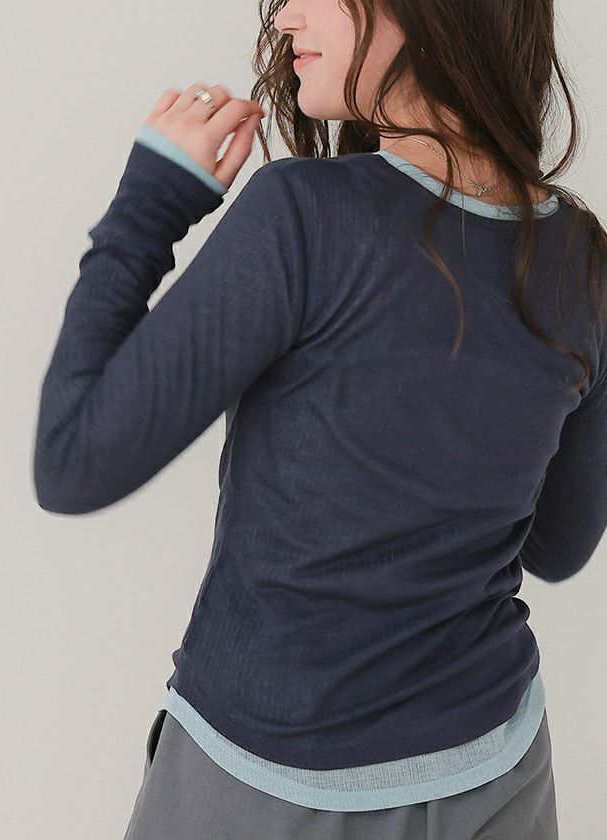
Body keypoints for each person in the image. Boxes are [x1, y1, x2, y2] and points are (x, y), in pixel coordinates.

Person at [33, 1, 606, 838]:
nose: (288, 16)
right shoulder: (582, 260)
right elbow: (559, 546)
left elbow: (72, 462)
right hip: (497, 780)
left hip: (264, 785)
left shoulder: (304, 216)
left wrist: (149, 204)